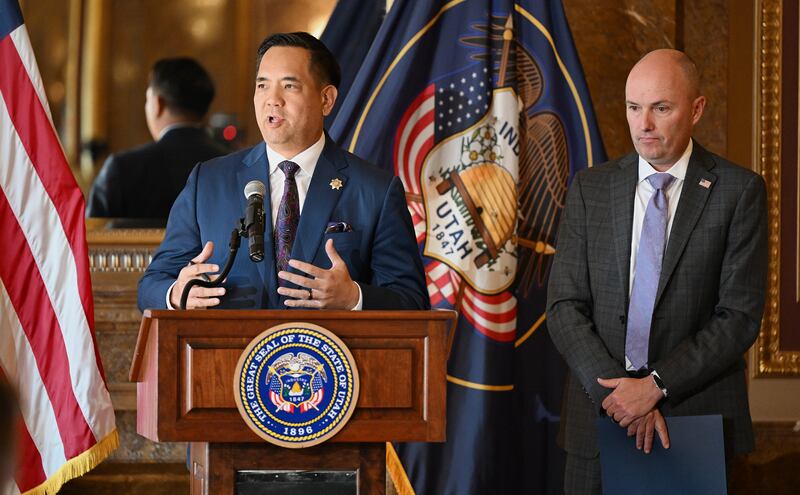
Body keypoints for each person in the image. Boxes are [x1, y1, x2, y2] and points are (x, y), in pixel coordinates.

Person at [547, 49, 767, 494]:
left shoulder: (739, 191)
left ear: (697, 109)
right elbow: (564, 306)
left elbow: (738, 317)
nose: (643, 124)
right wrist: (619, 396)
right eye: (634, 107)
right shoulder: (591, 188)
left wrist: (655, 387)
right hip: (598, 422)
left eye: (661, 108)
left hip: (694, 423)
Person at [137, 32, 428, 312]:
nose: (272, 99)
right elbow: (151, 285)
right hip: (232, 347)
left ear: (326, 100)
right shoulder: (209, 182)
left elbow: (411, 300)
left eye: (289, 86)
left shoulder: (375, 190)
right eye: (262, 85)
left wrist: (354, 297)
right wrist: (177, 293)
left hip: (330, 346)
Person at [87, 57, 228, 218]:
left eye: (147, 99)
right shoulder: (234, 165)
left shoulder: (122, 169)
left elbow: (91, 231)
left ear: (157, 104)